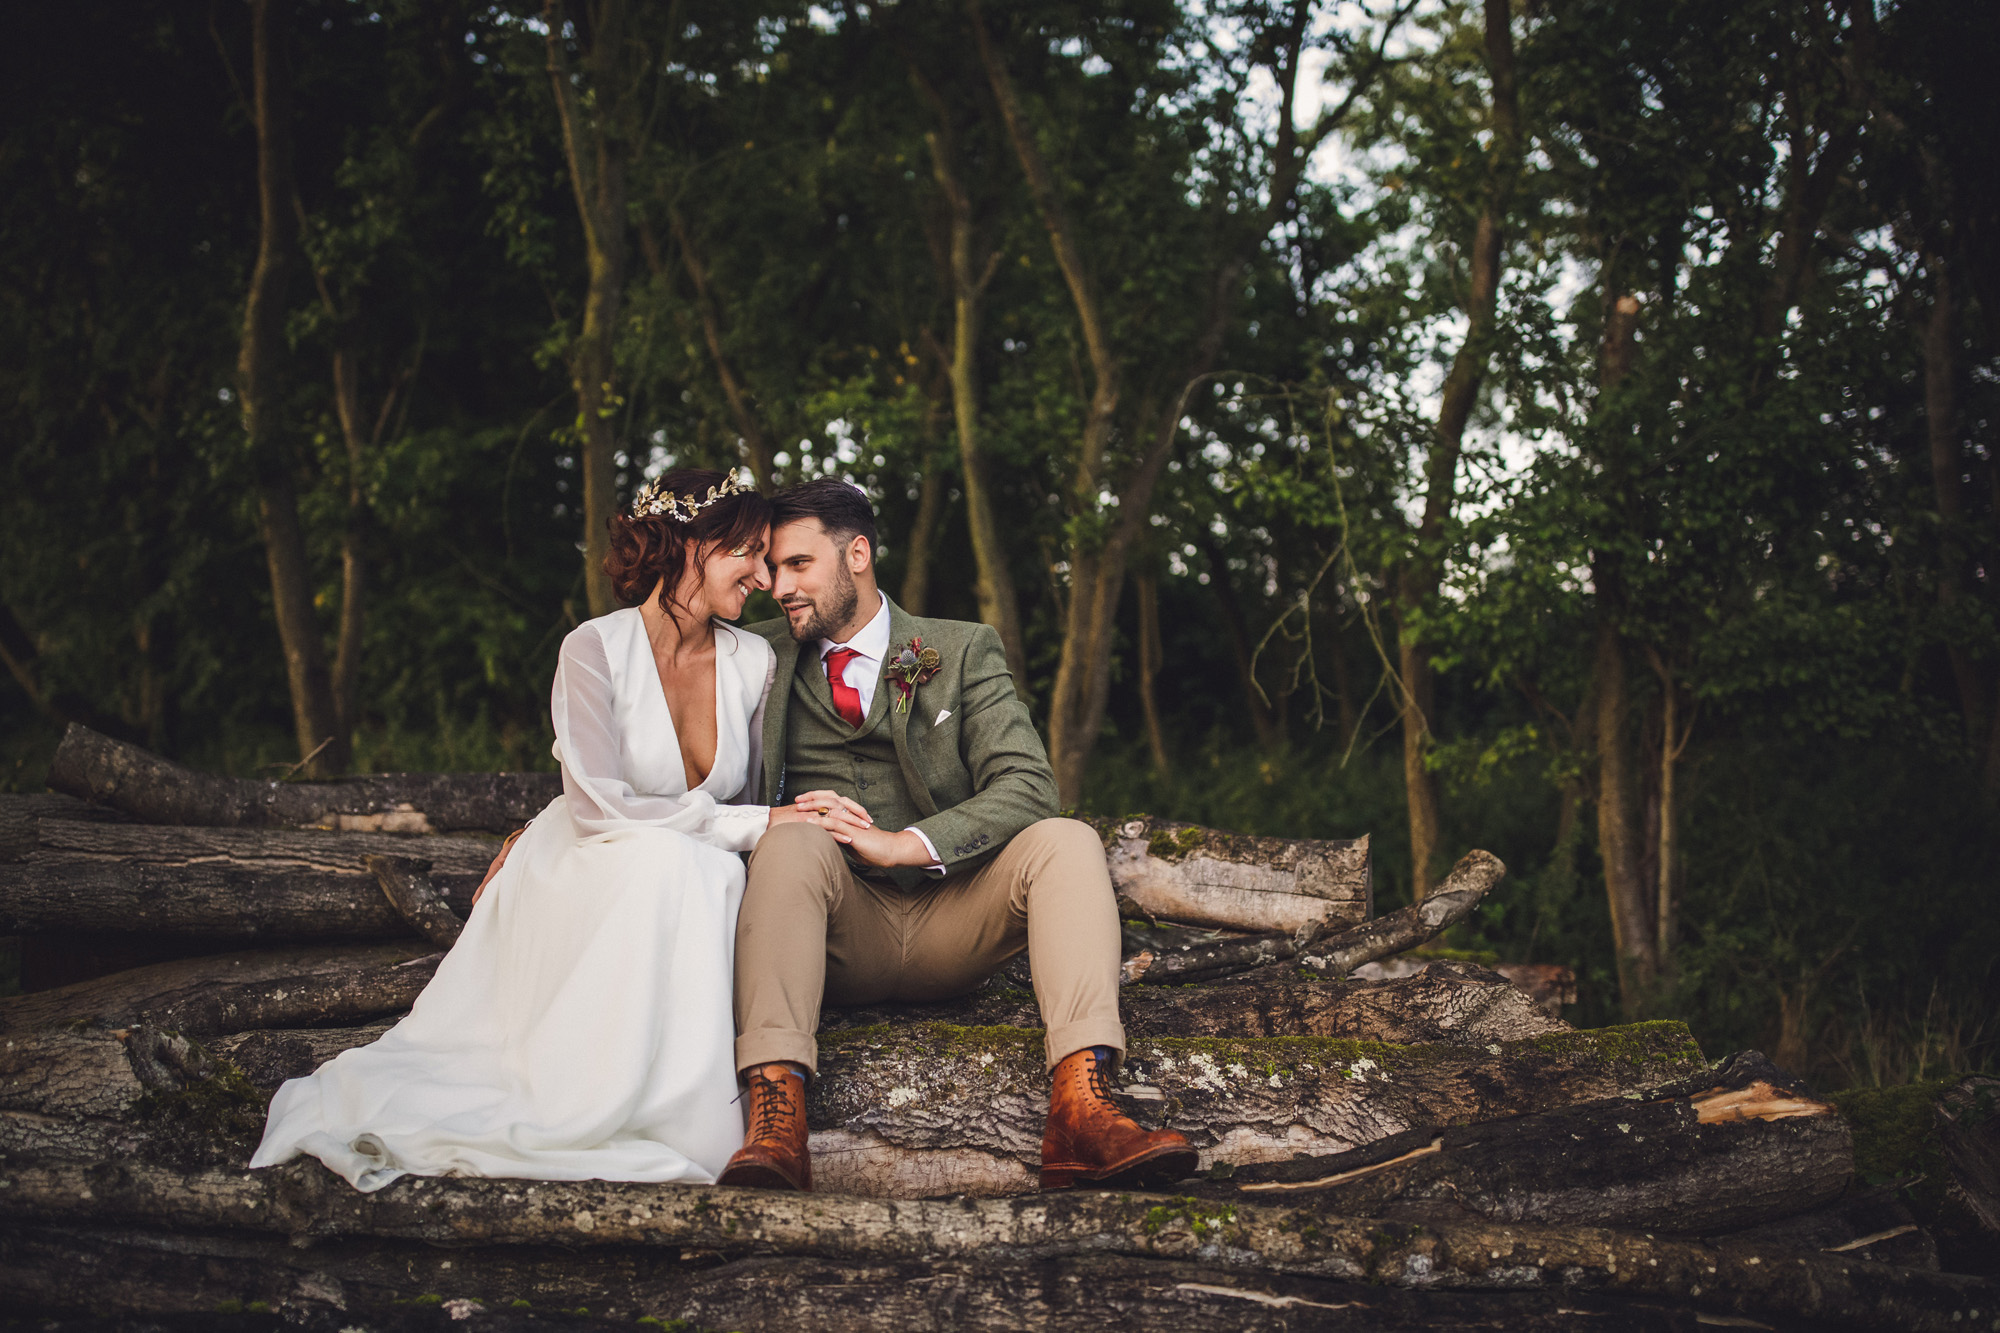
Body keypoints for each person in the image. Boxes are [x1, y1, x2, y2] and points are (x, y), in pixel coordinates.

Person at [249, 469, 853, 1191]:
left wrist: (778, 822)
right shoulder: (591, 650)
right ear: (689, 545)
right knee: (674, 863)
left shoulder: (752, 661)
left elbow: (755, 797)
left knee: (701, 866)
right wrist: (742, 822)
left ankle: (677, 1100)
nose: (761, 574)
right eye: (746, 553)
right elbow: (598, 803)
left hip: (695, 864)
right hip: (590, 854)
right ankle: (581, 1094)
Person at [718, 478, 1195, 1193]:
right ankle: (777, 1119)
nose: (778, 586)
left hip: (955, 915)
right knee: (789, 839)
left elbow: (1029, 787)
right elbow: (657, 749)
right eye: (773, 568)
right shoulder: (751, 655)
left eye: (798, 565)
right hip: (830, 927)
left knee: (1065, 838)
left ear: (857, 554)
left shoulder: (960, 649)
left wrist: (902, 841)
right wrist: (557, 823)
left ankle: (1082, 1109)